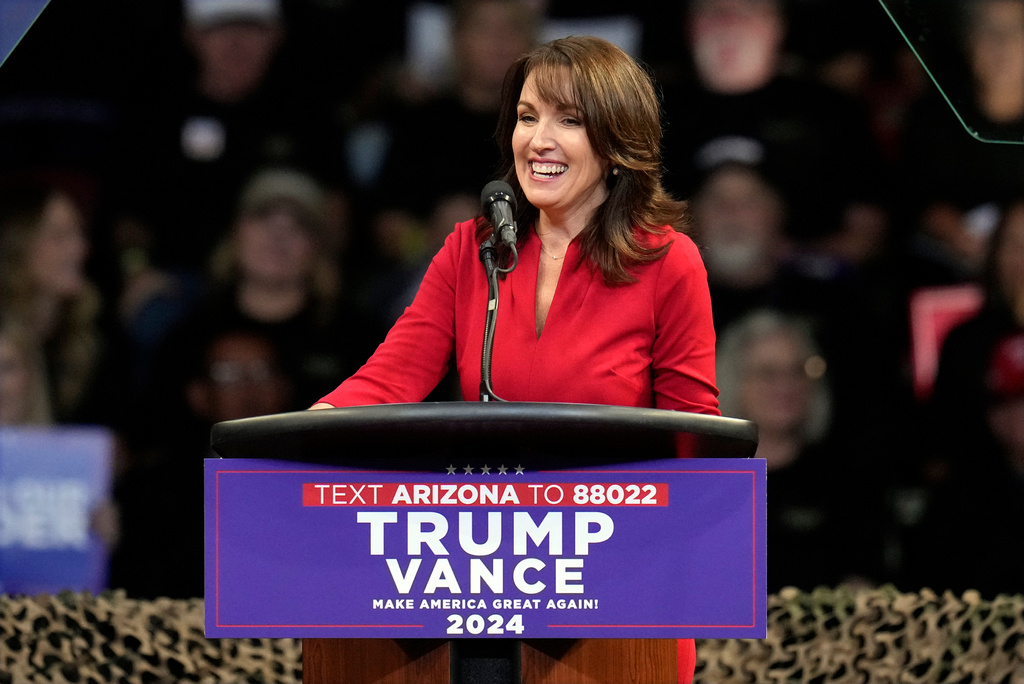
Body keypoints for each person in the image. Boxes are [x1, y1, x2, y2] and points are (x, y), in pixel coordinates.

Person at [312, 35, 719, 683]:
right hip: (483, 575)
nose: (539, 139)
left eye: (568, 120)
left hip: (618, 583)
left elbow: (696, 433)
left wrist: (678, 577)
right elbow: (391, 378)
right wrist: (304, 434)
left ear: (617, 144)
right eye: (528, 118)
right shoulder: (472, 250)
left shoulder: (667, 262)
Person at [717, 309, 885, 591]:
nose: (786, 385)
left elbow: (865, 587)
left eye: (799, 370)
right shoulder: (707, 482)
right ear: (734, 382)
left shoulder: (847, 482)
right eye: (768, 373)